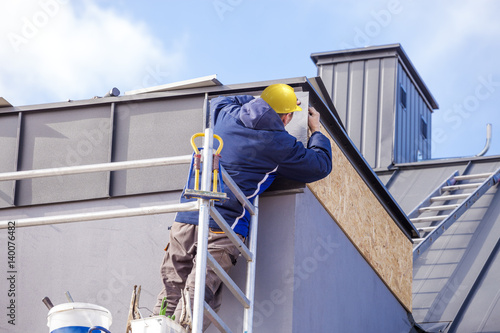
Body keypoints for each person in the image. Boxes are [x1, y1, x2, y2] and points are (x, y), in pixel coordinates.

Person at [153, 84, 332, 329]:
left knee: (172, 283)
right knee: (200, 290)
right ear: (287, 116)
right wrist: (317, 131)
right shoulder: (279, 142)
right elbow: (319, 166)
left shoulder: (224, 114)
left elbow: (223, 100)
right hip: (225, 226)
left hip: (186, 217)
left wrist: (264, 102)